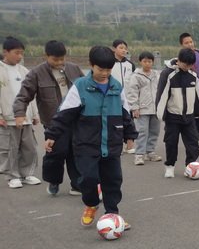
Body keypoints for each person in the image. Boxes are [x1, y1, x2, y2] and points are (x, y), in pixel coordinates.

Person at [44, 46, 138, 227]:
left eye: (108, 70)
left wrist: (129, 135)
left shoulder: (116, 86)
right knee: (88, 179)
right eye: (100, 69)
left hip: (111, 143)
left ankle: (112, 215)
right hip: (86, 145)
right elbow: (64, 113)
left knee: (113, 180)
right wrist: (52, 135)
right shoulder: (80, 86)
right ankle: (91, 203)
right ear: (91, 65)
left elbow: (125, 113)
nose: (105, 73)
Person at [13, 40, 85, 196]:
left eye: (62, 59)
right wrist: (19, 114)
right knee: (56, 153)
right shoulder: (36, 73)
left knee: (76, 152)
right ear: (46, 56)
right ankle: (54, 181)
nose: (59, 63)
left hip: (75, 119)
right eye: (55, 59)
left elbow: (86, 89)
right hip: (54, 122)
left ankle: (77, 184)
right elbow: (23, 96)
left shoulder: (74, 69)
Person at [155, 48, 199, 178]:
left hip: (189, 116)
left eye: (190, 65)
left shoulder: (193, 75)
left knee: (193, 142)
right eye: (185, 64)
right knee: (171, 142)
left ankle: (191, 166)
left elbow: (197, 94)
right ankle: (170, 166)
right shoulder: (168, 74)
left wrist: (198, 111)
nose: (187, 67)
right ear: (179, 60)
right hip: (173, 116)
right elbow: (161, 94)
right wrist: (161, 114)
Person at [0, 36, 41, 188]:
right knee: (10, 148)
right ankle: (12, 176)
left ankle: (26, 174)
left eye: (21, 53)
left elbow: (31, 94)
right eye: (16, 53)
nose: (20, 56)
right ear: (5, 52)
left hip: (26, 117)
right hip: (8, 118)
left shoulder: (24, 71)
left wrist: (34, 114)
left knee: (29, 147)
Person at [126, 51, 162, 166]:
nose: (147, 64)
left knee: (154, 131)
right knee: (142, 132)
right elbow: (132, 92)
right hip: (142, 109)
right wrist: (134, 107)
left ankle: (150, 152)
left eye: (149, 61)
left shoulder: (157, 75)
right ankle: (139, 154)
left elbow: (161, 90)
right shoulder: (136, 76)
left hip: (155, 109)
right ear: (140, 62)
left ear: (153, 62)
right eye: (145, 61)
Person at [179, 32, 199, 150]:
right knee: (192, 116)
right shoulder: (181, 58)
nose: (189, 44)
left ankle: (195, 134)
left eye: (191, 42)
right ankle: (194, 139)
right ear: (182, 45)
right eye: (186, 43)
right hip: (190, 93)